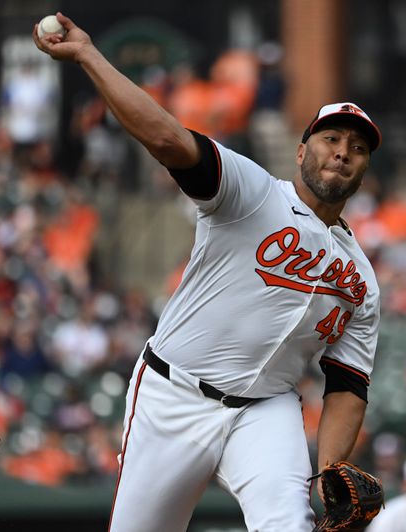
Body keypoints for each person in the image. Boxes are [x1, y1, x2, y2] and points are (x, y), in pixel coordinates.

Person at [34, 13, 382, 532]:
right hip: (173, 396)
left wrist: (331, 468)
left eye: (358, 149)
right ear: (302, 149)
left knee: (290, 526)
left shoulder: (362, 278)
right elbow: (169, 140)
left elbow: (348, 384)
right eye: (332, 138)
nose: (343, 152)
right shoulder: (253, 190)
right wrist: (88, 55)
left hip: (266, 412)